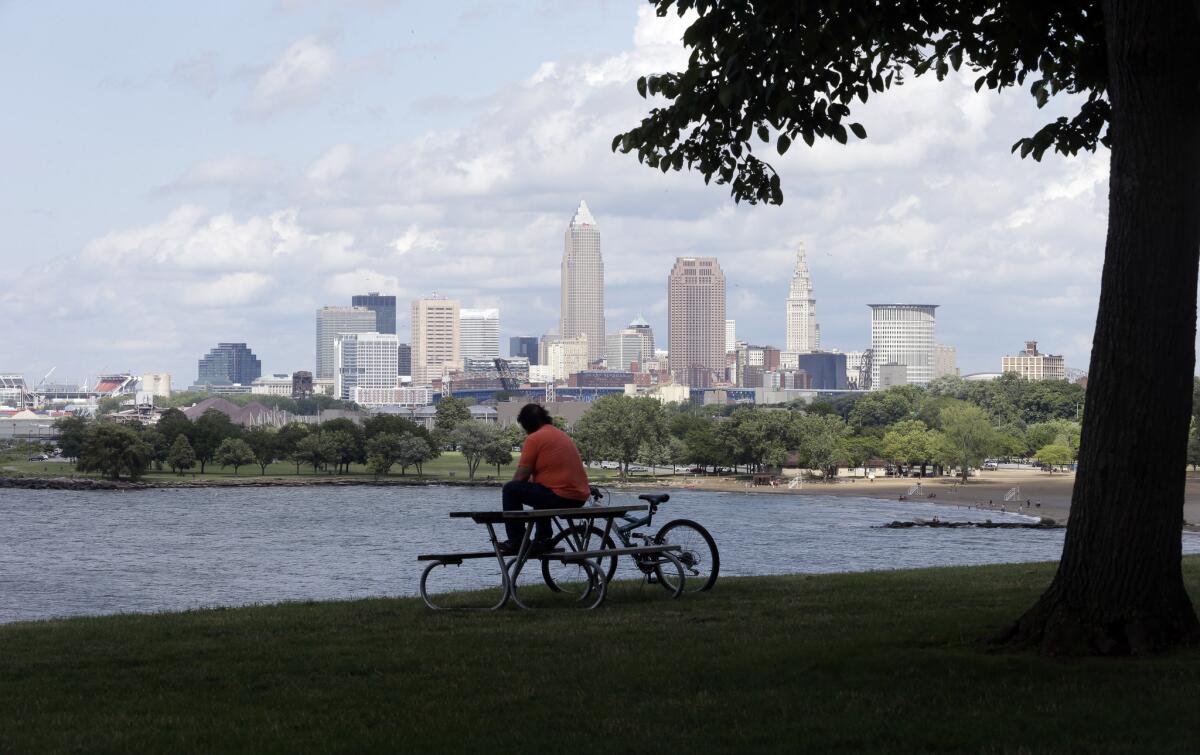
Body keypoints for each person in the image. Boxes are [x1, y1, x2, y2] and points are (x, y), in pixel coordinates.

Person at [496, 404, 592, 555]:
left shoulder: (534, 438)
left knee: (510, 489)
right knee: (539, 491)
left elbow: (520, 478)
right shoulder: (560, 435)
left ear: (527, 424)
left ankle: (517, 541)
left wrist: (513, 486)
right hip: (578, 497)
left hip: (561, 496)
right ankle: (543, 539)